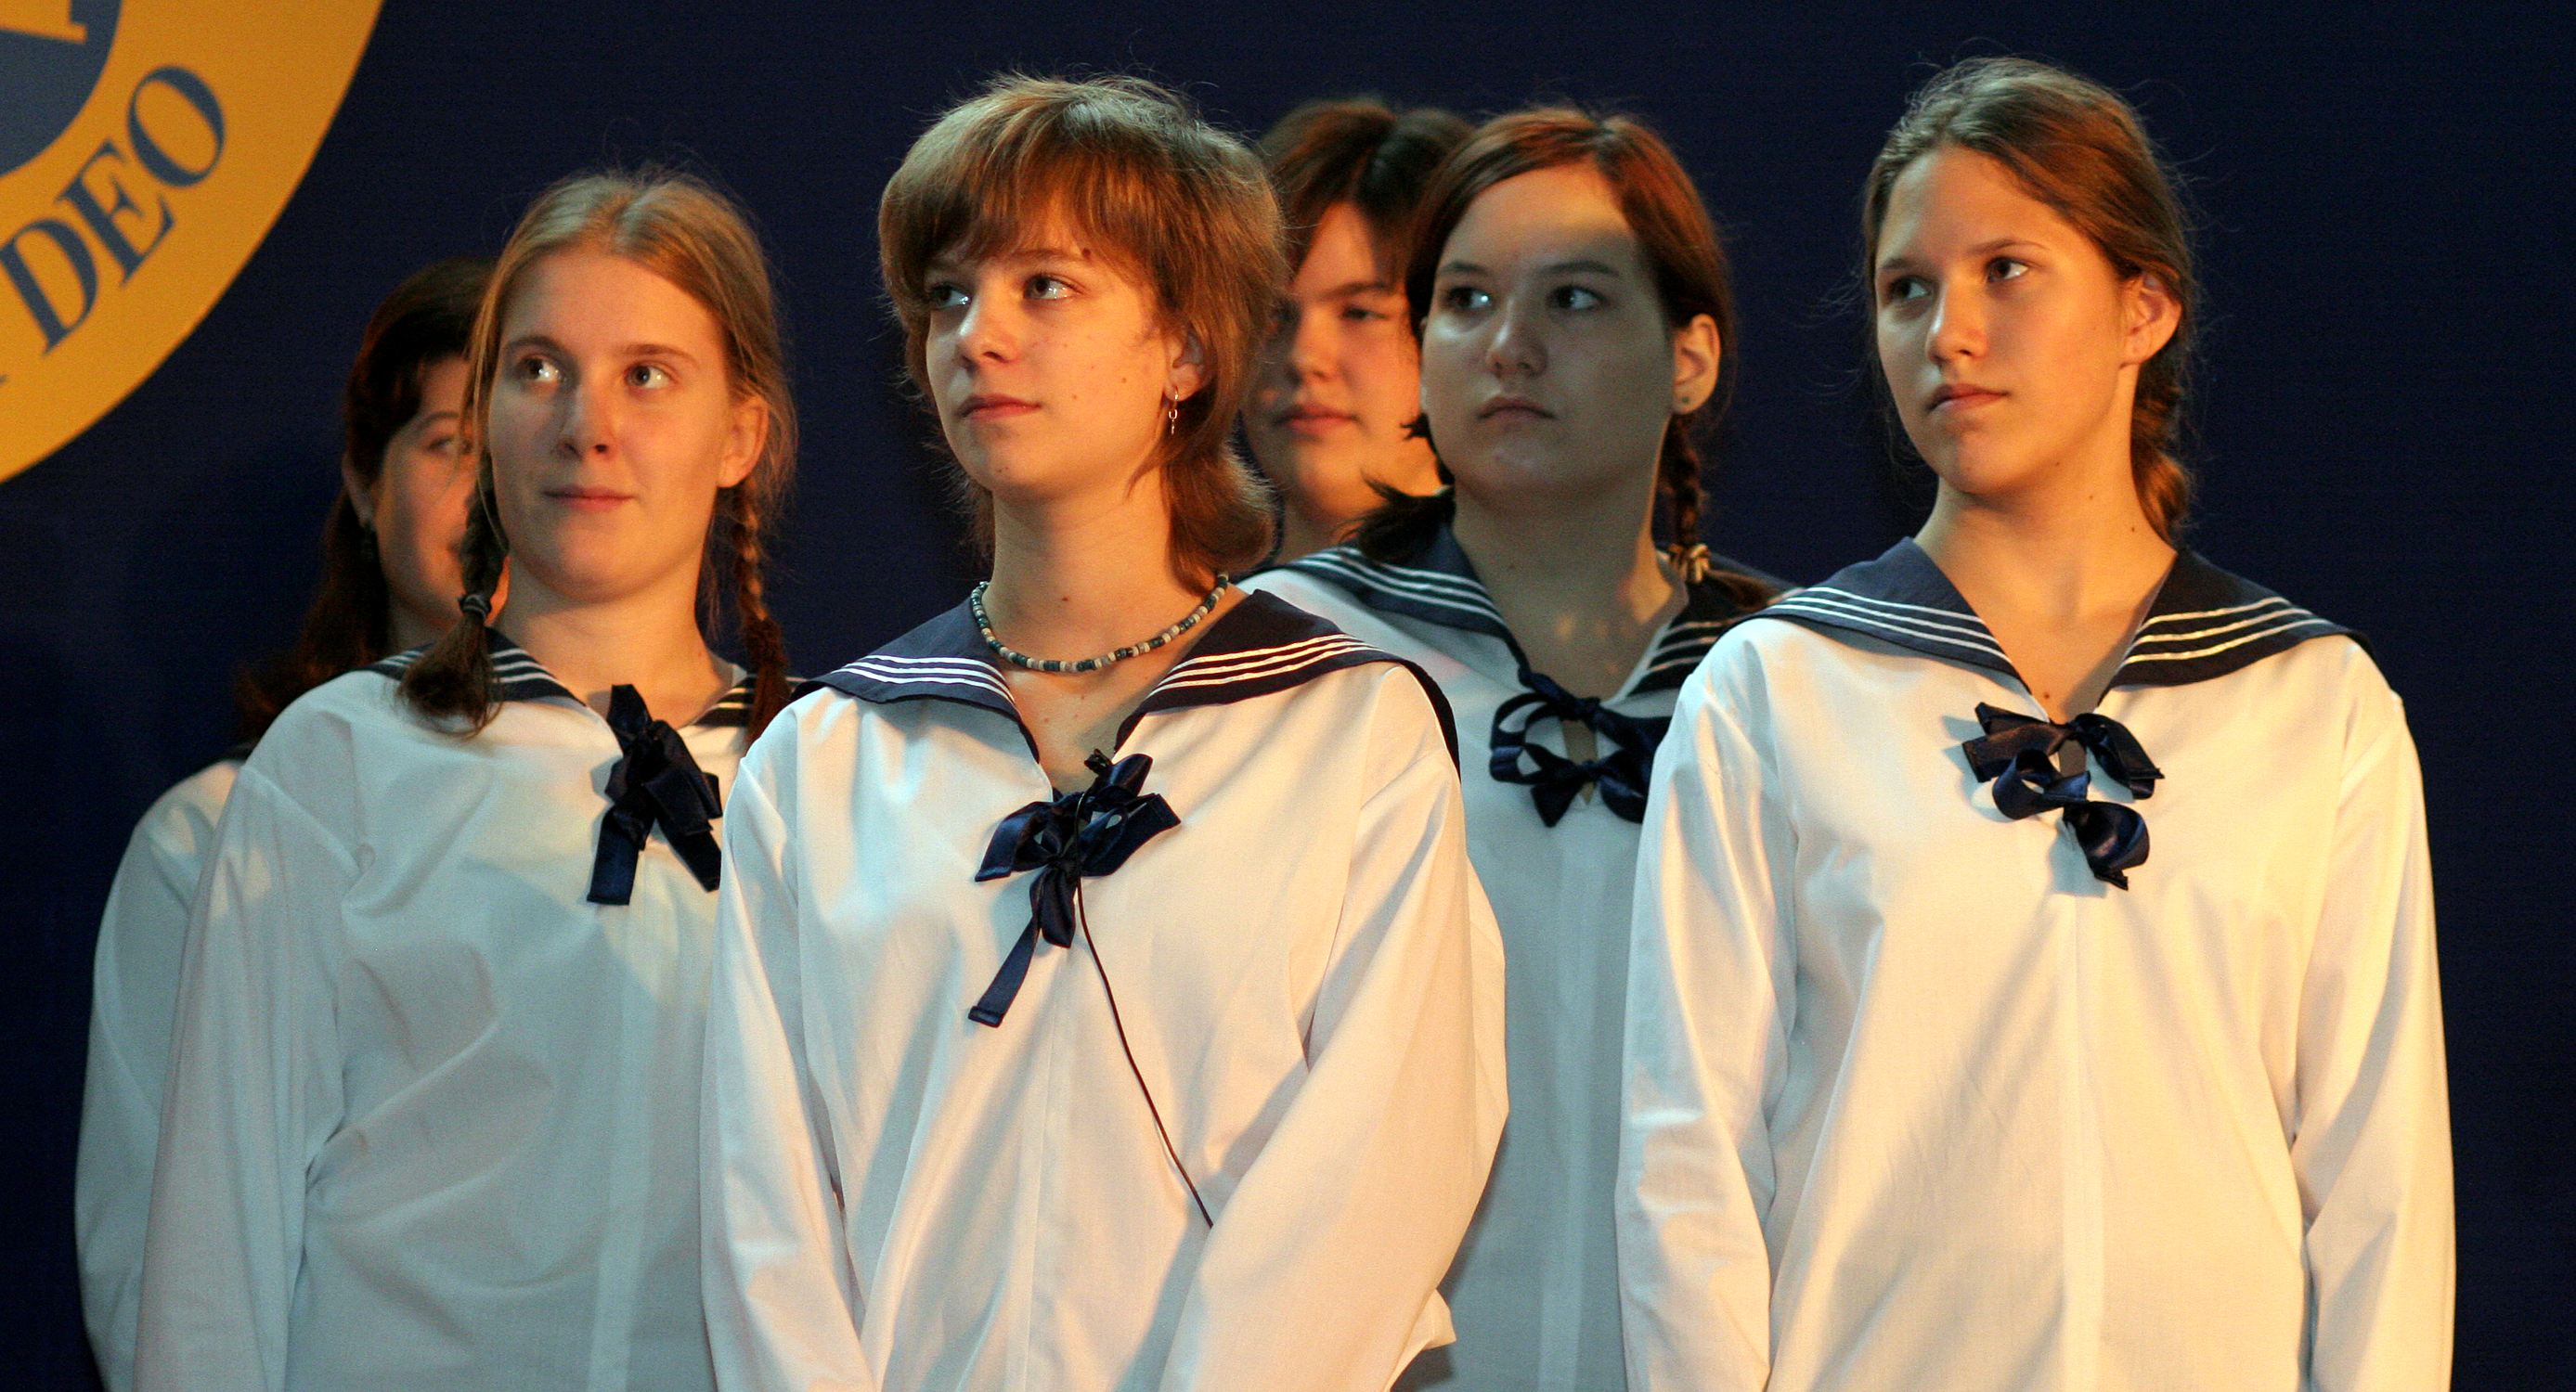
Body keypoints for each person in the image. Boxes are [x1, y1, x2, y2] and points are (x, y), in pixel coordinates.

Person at [1618, 58, 2451, 1390]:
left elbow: (2378, 1187)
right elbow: (1687, 1160)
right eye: (1905, 290)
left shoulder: (2311, 702)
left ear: (2142, 308)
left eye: (2004, 271)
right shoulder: (1777, 689)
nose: (1946, 332)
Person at [700, 75, 1504, 1392]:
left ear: (1184, 349)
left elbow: (1382, 1165)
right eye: (947, 296)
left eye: (1045, 286)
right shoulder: (821, 759)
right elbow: (764, 1220)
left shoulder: (1348, 731)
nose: (979, 337)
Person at [132, 169, 796, 1392]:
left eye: (648, 375)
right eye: (538, 370)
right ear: (484, 415)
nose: (586, 425)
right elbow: (212, 1259)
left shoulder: (832, 786)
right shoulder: (339, 763)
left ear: (740, 434)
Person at [1246, 108, 1775, 1392]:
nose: (1509, 346)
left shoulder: (1794, 683)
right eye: (1465, 301)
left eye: (1573, 299)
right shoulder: (1280, 664)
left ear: (1690, 356)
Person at [75, 254, 488, 1392]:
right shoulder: (212, 843)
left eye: (523, 441)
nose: (497, 492)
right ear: (364, 481)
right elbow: (158, 1287)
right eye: (452, 443)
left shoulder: (688, 811)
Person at [1242, 97, 1467, 562]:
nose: (1304, 358)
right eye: (1273, 314)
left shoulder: (1563, 604)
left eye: (1359, 313)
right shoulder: (1190, 609)